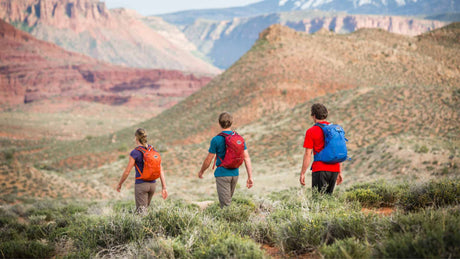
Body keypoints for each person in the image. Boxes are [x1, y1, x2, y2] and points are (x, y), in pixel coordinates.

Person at [198, 112, 254, 208]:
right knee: (228, 203)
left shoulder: (216, 139)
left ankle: (231, 222)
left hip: (222, 175)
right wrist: (250, 177)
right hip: (235, 174)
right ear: (231, 122)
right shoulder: (238, 138)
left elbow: (208, 160)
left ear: (219, 123)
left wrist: (201, 171)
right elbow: (247, 158)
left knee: (225, 207)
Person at [117, 128, 168, 212]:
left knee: (141, 214)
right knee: (145, 211)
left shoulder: (135, 152)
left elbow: (127, 172)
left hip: (141, 185)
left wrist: (120, 184)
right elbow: (160, 170)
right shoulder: (153, 150)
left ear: (136, 138)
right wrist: (164, 187)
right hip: (152, 185)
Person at [299, 103, 343, 194]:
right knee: (328, 201)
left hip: (320, 170)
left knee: (318, 201)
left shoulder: (311, 131)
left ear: (314, 116)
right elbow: (338, 151)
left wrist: (303, 173)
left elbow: (308, 154)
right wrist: (339, 171)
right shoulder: (335, 130)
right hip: (334, 169)